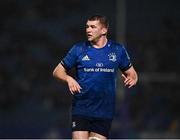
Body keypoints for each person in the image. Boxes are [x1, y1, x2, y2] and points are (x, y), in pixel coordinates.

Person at [53, 15, 138, 139]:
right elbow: (57, 71)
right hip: (82, 107)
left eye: (93, 27)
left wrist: (133, 78)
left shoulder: (118, 50)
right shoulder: (78, 49)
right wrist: (69, 79)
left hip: (105, 110)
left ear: (104, 30)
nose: (88, 30)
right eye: (87, 27)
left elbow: (132, 73)